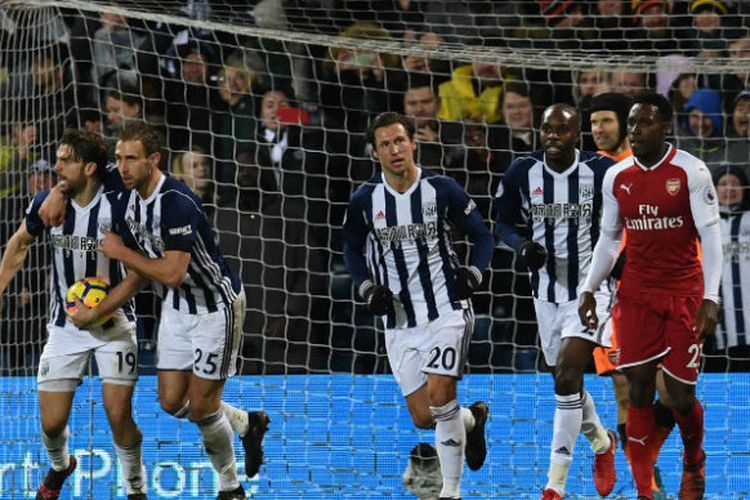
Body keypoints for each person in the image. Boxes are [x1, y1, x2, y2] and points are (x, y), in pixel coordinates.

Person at [48, 123, 269, 500]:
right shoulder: (122, 188)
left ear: (154, 160)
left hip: (216, 307)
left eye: (131, 158)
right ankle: (246, 423)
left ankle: (231, 489)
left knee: (201, 407)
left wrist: (122, 253)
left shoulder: (177, 202)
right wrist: (55, 192)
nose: (122, 166)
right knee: (171, 403)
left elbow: (171, 272)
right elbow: (76, 171)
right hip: (178, 308)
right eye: (119, 158)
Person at [578, 91, 722, 500]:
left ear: (665, 127)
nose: (635, 131)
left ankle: (693, 460)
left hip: (683, 292)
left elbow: (711, 236)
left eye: (644, 123)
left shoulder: (691, 172)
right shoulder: (616, 177)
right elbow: (609, 239)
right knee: (636, 389)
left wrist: (711, 298)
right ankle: (645, 490)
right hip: (636, 294)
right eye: (633, 124)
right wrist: (589, 288)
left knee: (679, 396)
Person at [342, 112, 493, 499]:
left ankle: (451, 492)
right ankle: (472, 420)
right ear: (375, 152)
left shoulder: (441, 190)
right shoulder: (364, 201)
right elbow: (351, 250)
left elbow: (482, 236)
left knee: (441, 395)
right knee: (425, 416)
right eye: (385, 144)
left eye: (400, 141)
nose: (394, 150)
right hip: (399, 322)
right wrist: (365, 288)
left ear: (413, 143)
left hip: (447, 309)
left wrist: (473, 273)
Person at [0, 129, 146, 499]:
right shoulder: (46, 205)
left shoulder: (121, 203)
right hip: (65, 327)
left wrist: (102, 307)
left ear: (91, 167)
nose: (57, 165)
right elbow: (19, 244)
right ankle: (62, 467)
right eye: (58, 157)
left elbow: (143, 269)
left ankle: (135, 488)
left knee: (118, 416)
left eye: (67, 160)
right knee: (51, 424)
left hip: (114, 323)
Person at [494, 103, 618, 500]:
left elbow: (617, 229)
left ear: (576, 134)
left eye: (561, 130)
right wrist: (521, 245)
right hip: (544, 293)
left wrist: (612, 273)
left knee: (566, 376)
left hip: (590, 290)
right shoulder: (521, 171)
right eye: (547, 129)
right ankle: (602, 443)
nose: (552, 136)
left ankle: (554, 485)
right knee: (566, 384)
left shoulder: (600, 171)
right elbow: (500, 223)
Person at [588, 92, 674, 500]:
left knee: (672, 391)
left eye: (606, 121)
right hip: (610, 296)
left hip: (660, 291)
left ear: (627, 124)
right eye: (593, 123)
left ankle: (648, 449)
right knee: (626, 388)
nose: (598, 130)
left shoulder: (651, 166)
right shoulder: (589, 172)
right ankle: (647, 479)